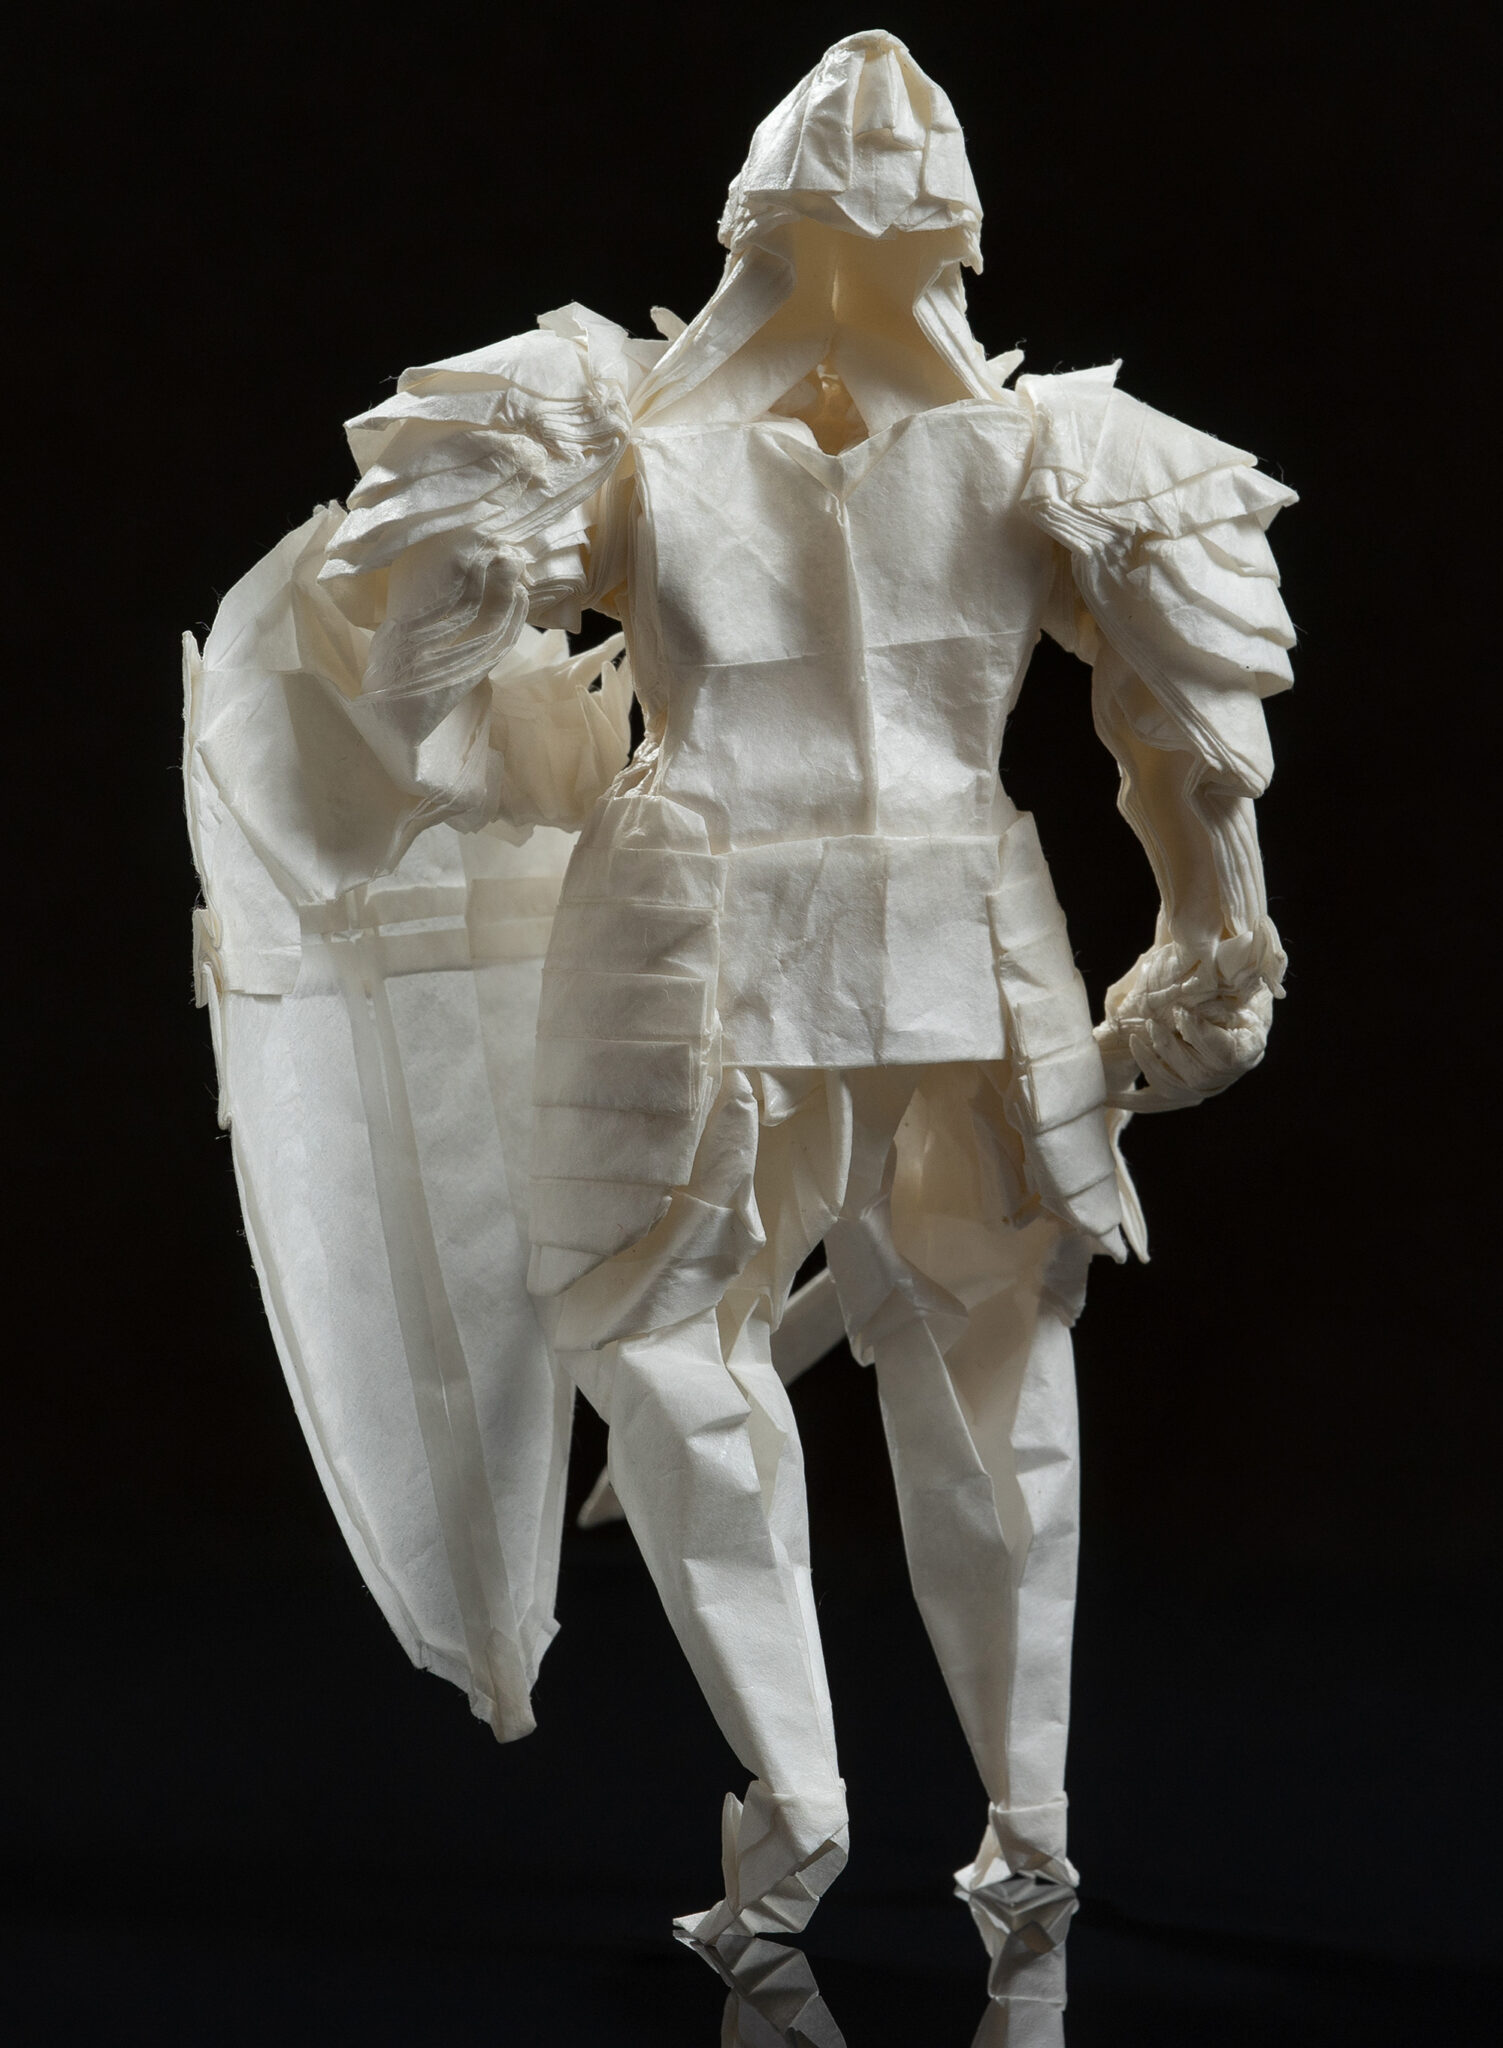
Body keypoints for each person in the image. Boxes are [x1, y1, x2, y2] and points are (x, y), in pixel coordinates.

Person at [187, 30, 1294, 1944]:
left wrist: (511, 681)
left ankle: (809, 1808)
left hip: (700, 948)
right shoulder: (1071, 456)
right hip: (952, 950)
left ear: (746, 227)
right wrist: (1216, 942)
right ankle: (1015, 1829)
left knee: (683, 1354)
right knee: (984, 1362)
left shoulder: (610, 437)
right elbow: (1193, 756)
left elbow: (410, 706)